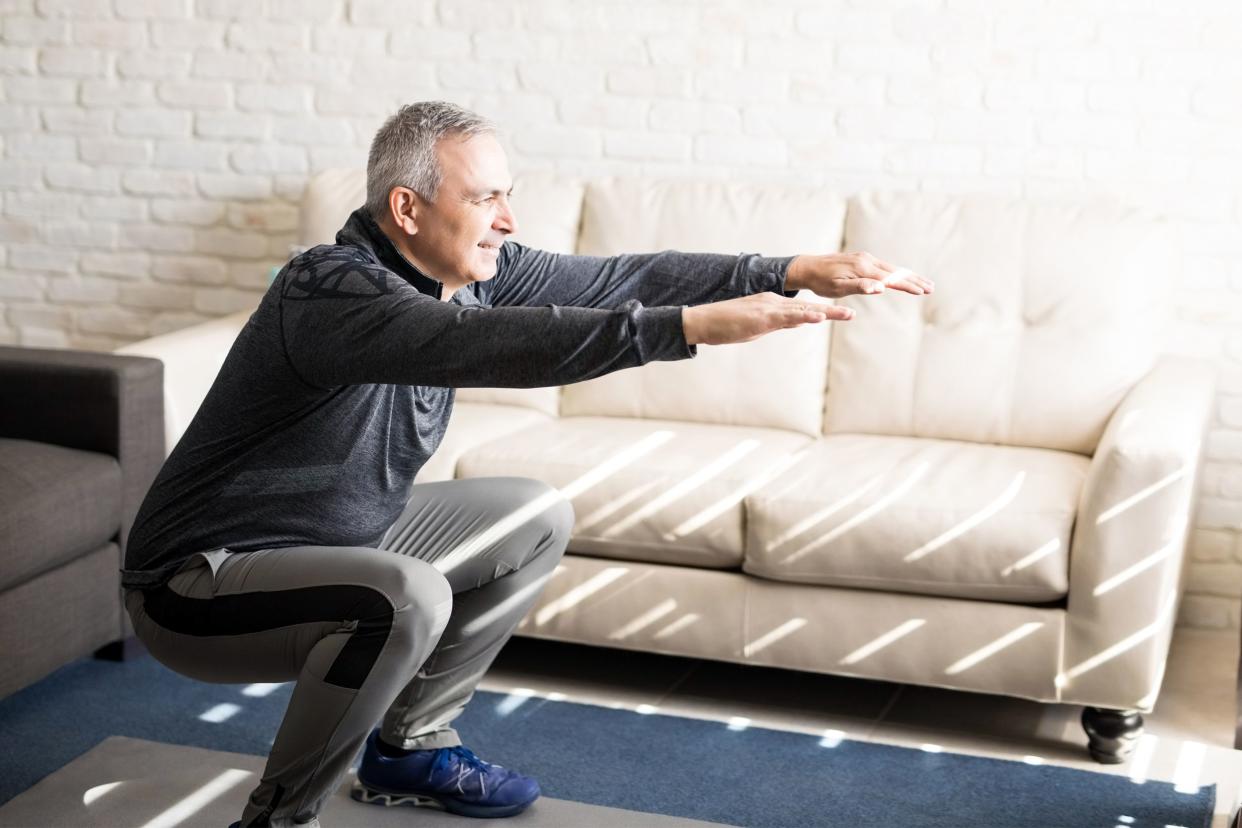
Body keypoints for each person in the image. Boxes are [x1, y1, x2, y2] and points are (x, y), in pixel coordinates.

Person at [120, 100, 933, 828]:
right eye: (485, 197)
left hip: (335, 541)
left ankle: (410, 748)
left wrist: (782, 271)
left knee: (531, 515)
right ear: (406, 208)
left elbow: (619, 277)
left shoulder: (467, 276)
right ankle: (278, 818)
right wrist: (683, 327)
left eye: (507, 193)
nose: (508, 219)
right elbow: (487, 345)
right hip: (200, 582)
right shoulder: (330, 289)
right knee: (403, 600)